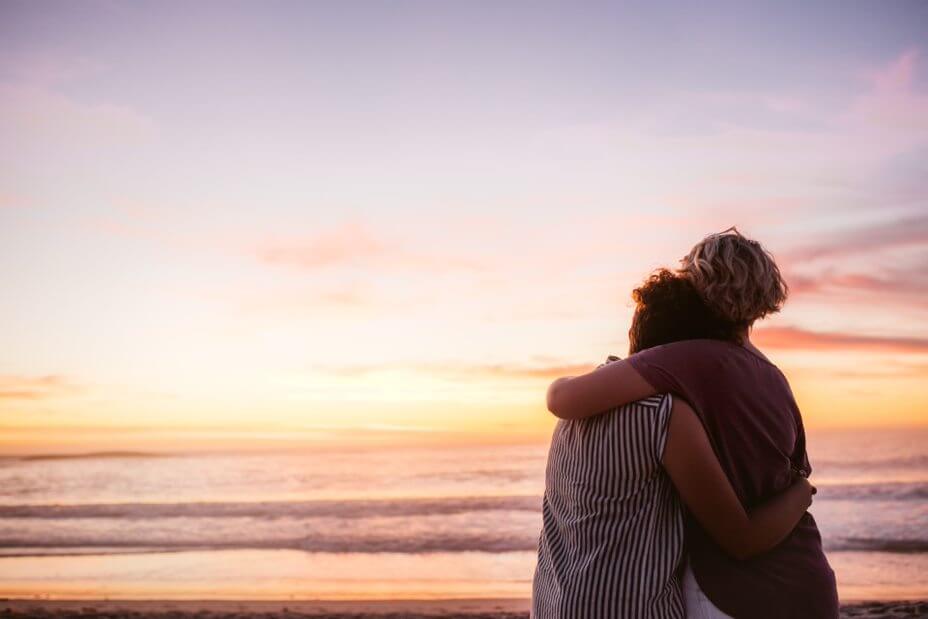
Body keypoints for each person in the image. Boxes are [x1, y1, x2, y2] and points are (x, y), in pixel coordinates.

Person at [546, 229, 838, 618]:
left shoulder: (684, 360)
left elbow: (563, 399)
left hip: (736, 590)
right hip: (806, 574)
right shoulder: (771, 376)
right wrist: (802, 491)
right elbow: (795, 466)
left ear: (698, 283)